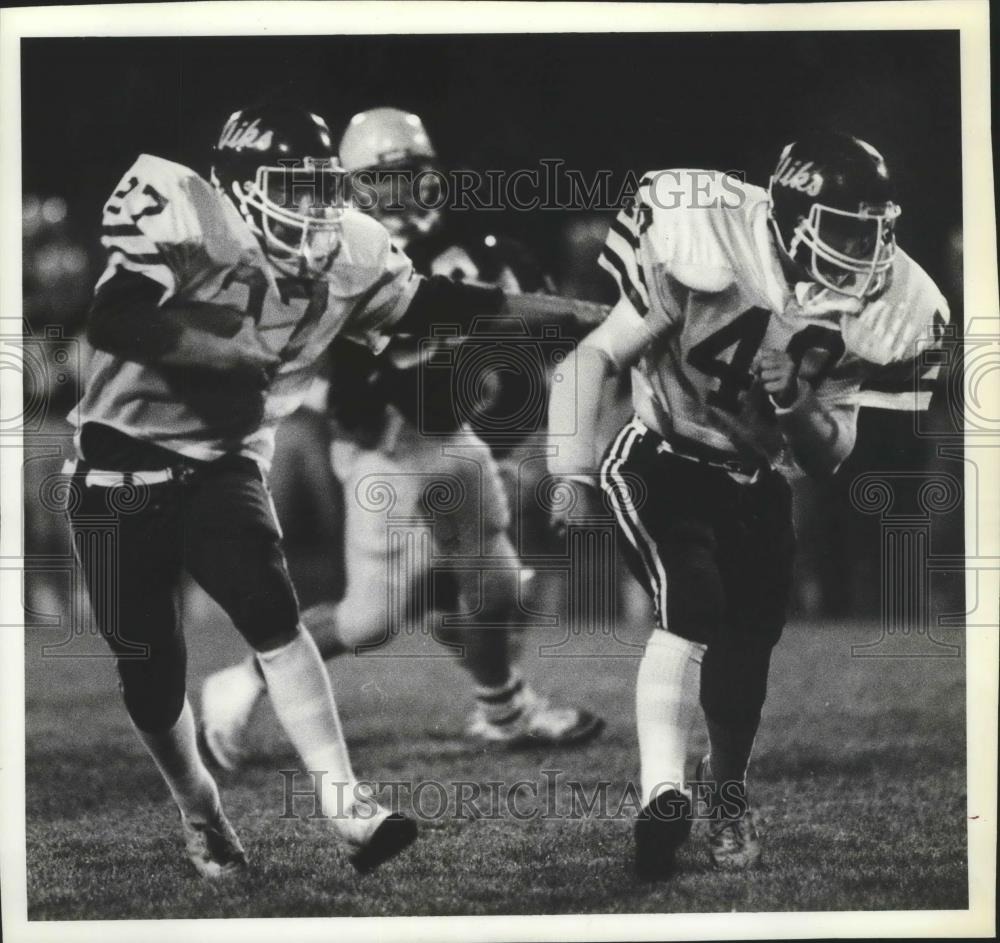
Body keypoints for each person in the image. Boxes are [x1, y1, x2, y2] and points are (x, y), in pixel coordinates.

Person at [65, 101, 605, 878]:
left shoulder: (351, 249)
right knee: (149, 675)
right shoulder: (180, 204)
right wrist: (231, 353)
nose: (314, 206)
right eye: (293, 186)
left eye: (322, 187)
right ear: (240, 186)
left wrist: (577, 314)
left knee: (273, 614)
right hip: (116, 472)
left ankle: (347, 803)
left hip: (223, 465)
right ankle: (201, 810)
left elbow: (446, 302)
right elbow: (113, 319)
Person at [547, 132, 949, 879]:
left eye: (876, 227)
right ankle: (662, 794)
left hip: (757, 482)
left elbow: (830, 453)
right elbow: (596, 355)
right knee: (689, 601)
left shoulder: (894, 301)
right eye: (847, 226)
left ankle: (724, 793)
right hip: (661, 455)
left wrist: (794, 400)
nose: (867, 247)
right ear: (794, 214)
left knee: (741, 673)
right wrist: (570, 471)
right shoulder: (705, 236)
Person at [200, 107, 603, 770]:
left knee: (499, 582)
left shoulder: (470, 247)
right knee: (371, 619)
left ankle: (503, 708)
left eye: (412, 173)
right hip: (383, 444)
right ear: (352, 187)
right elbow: (323, 375)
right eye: (383, 179)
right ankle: (243, 675)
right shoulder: (335, 255)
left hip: (452, 437)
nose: (403, 190)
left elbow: (513, 333)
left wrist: (571, 320)